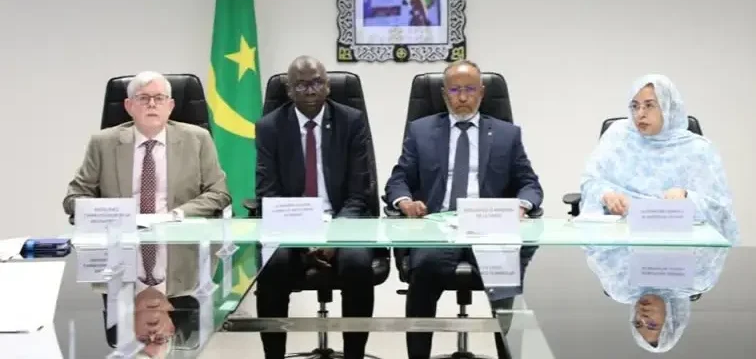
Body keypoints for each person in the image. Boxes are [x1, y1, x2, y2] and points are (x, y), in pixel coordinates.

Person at [384, 60, 543, 359]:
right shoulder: (421, 131)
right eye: (455, 90)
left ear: (482, 92)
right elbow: (399, 179)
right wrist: (405, 202)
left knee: (505, 276)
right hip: (437, 229)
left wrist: (521, 205)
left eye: (470, 89)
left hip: (488, 229)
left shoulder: (507, 135)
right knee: (424, 270)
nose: (463, 97)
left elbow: (529, 184)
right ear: (444, 94)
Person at [254, 56, 375, 359]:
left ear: (328, 86)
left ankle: (354, 355)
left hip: (342, 221)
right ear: (288, 90)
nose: (310, 90)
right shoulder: (269, 127)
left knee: (358, 265)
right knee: (273, 264)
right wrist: (303, 238)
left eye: (317, 82)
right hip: (291, 223)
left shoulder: (351, 121)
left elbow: (359, 193)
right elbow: (268, 193)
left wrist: (334, 237)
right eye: (301, 85)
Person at [580, 74, 739, 242]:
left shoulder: (699, 149)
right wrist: (606, 194)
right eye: (635, 106)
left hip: (679, 239)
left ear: (667, 107)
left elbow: (719, 208)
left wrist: (686, 196)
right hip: (620, 236)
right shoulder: (617, 137)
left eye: (649, 105)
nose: (640, 114)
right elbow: (590, 181)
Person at [63, 70, 231, 218]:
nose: (152, 104)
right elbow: (74, 197)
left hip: (179, 232)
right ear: (129, 106)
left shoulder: (198, 139)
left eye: (159, 98)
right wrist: (112, 213)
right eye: (143, 98)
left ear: (170, 106)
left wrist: (178, 215)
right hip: (121, 235)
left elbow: (218, 193)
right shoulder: (102, 143)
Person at [584, 244, 730, 352]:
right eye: (652, 325)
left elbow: (596, 243)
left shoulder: (620, 288)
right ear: (672, 320)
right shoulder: (698, 279)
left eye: (637, 323)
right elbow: (715, 224)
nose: (642, 317)